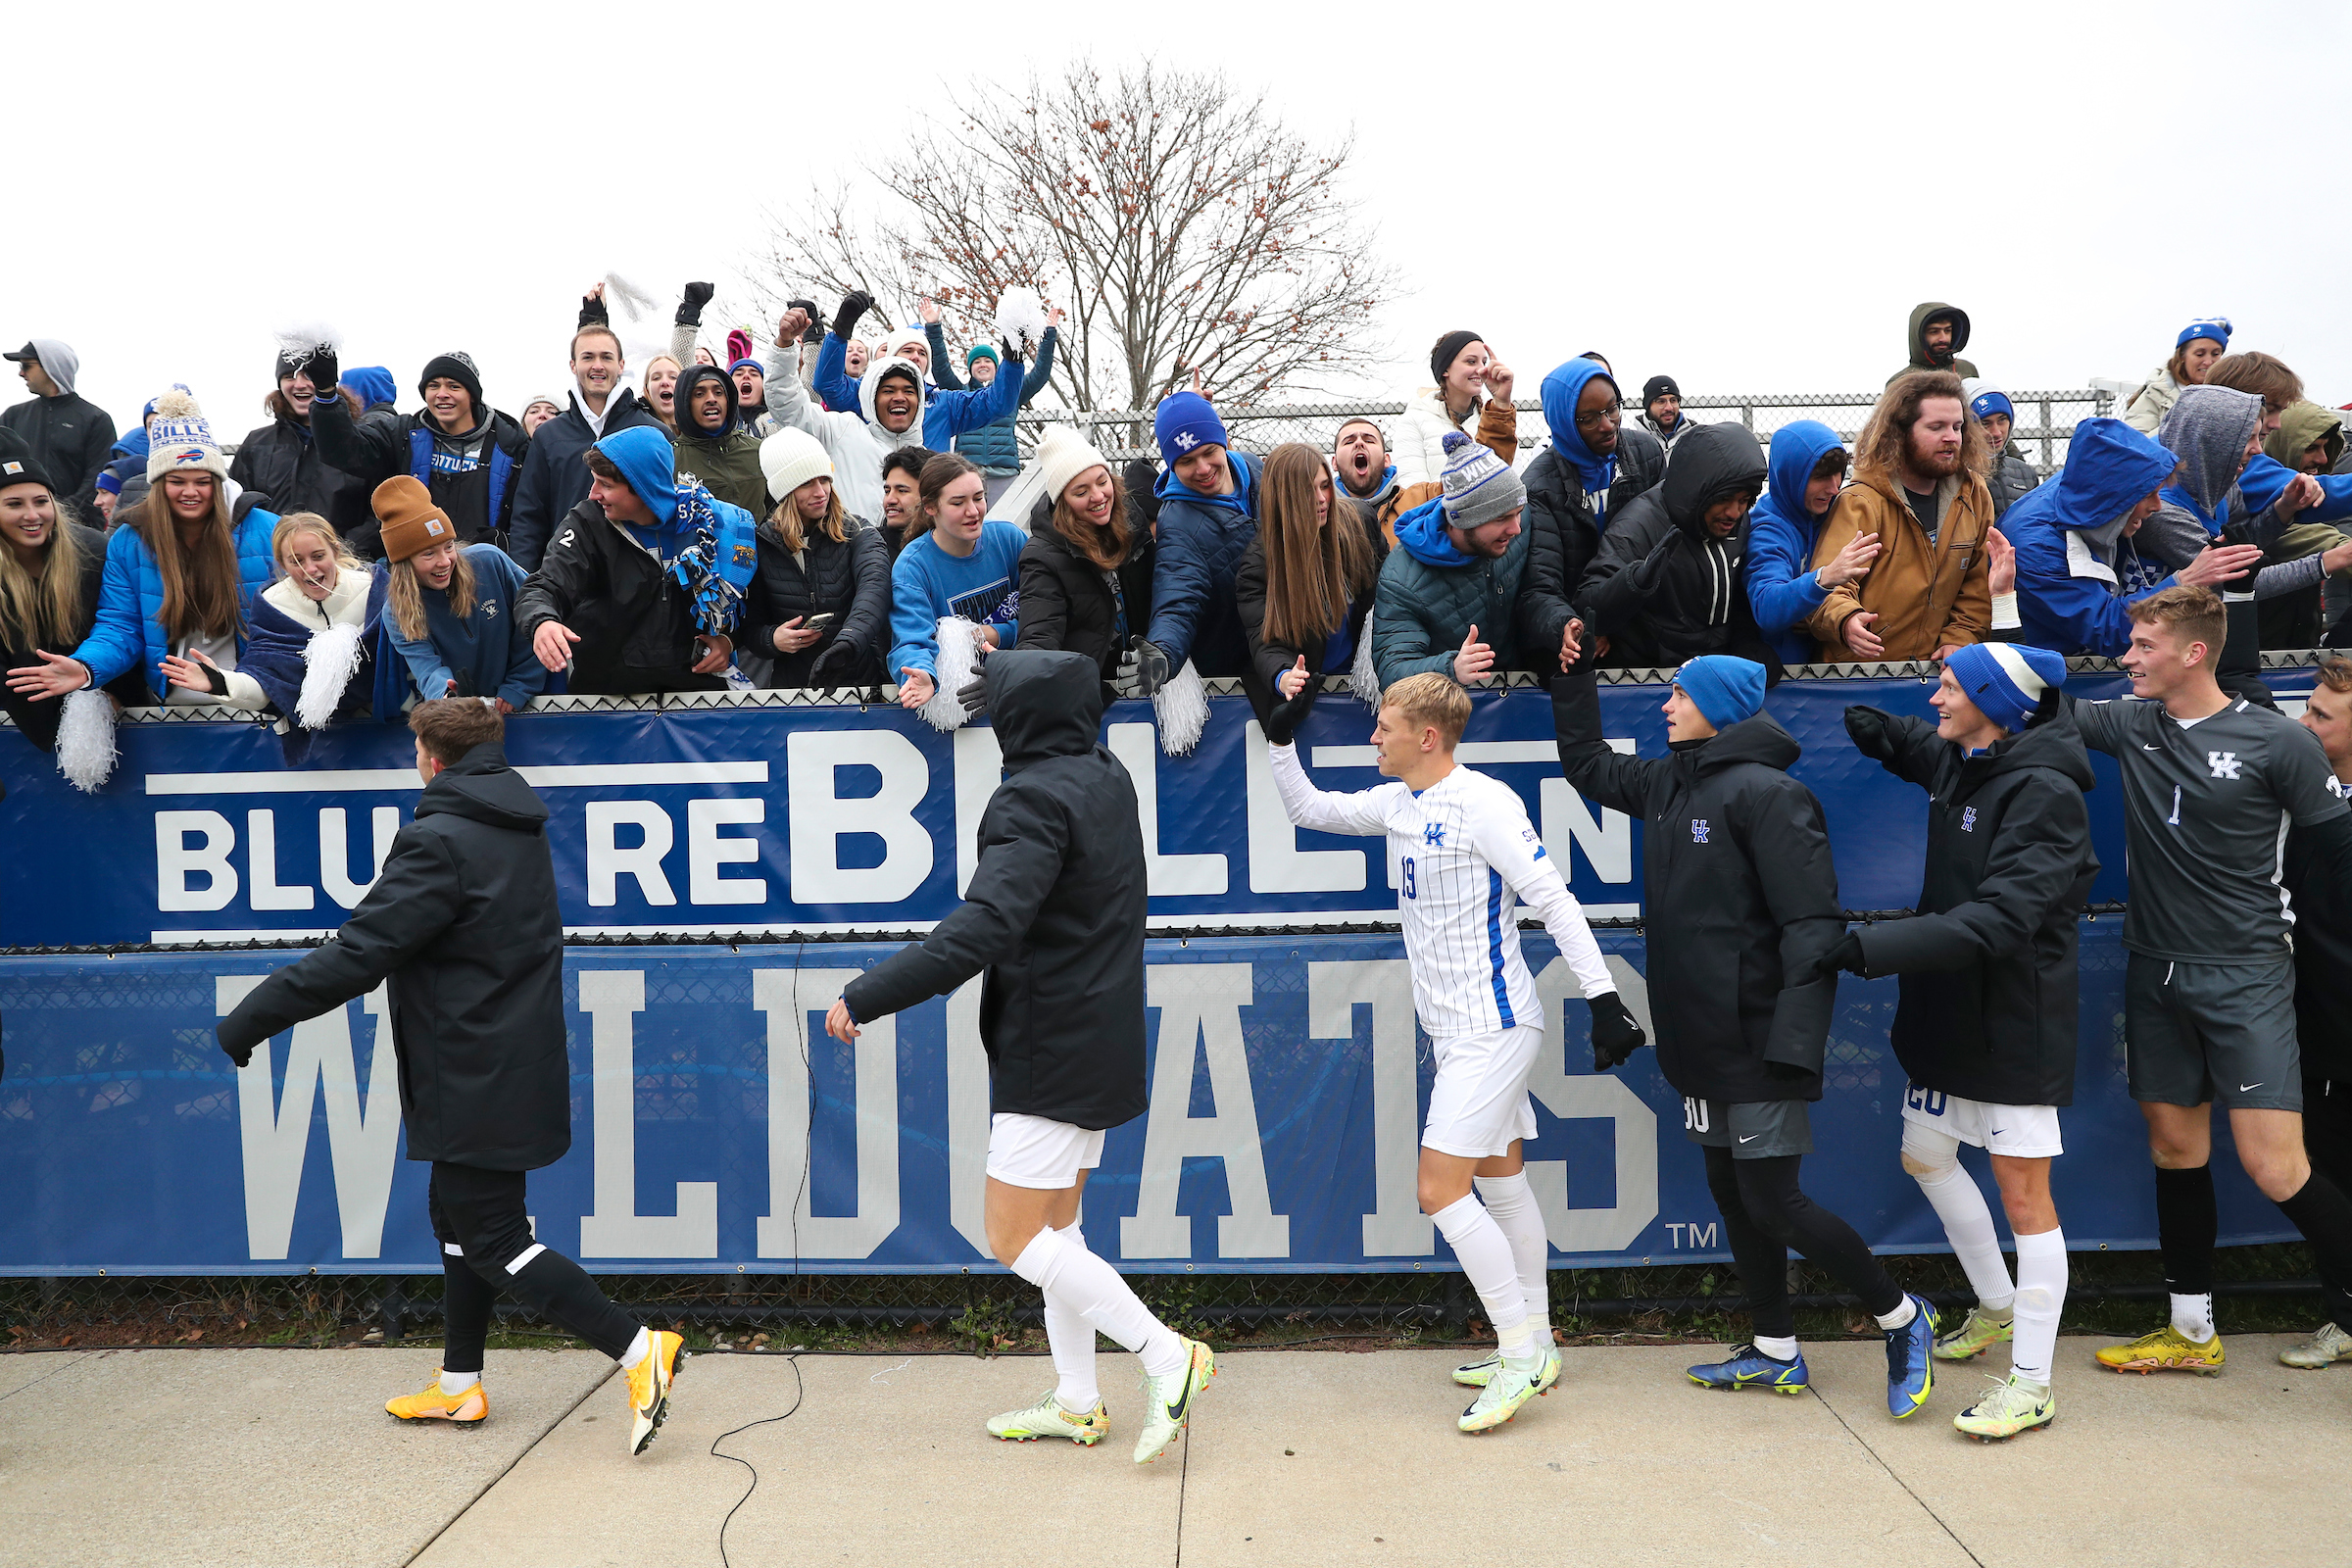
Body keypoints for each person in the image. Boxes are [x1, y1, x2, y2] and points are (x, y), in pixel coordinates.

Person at [215, 698, 684, 1451]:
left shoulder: (439, 839)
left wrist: (250, 1019)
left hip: (472, 1070)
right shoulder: (515, 824)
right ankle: (459, 1387)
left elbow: (359, 954)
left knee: (493, 1237)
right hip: (500, 1060)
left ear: (432, 758)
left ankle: (638, 1349)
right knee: (458, 1224)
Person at [824, 650, 1214, 1463]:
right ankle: (1077, 1402)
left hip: (1050, 1048)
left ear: (1020, 719)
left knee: (1011, 1238)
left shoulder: (1030, 797)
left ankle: (1166, 1355)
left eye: (998, 704)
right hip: (1098, 1033)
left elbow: (984, 927)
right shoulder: (1104, 773)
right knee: (1057, 1231)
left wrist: (867, 993)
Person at [1550, 645, 1939, 1415]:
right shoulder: (1668, 781)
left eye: (1679, 695)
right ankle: (1775, 1349)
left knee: (1774, 1201)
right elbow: (1589, 766)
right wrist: (1571, 674)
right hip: (1698, 1041)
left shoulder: (1772, 795)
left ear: (1717, 708)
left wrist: (1795, 1042)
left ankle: (1903, 1316)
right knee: (1731, 1192)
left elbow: (1812, 927)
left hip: (1762, 1040)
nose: (1665, 706)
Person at [1267, 671, 1639, 1430]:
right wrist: (1279, 737)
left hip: (1493, 1029)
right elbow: (1308, 807)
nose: (1374, 736)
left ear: (1426, 737)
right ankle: (1537, 1339)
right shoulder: (1398, 802)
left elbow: (1555, 900)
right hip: (1459, 1031)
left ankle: (1520, 1354)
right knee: (1501, 1185)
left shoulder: (1486, 804)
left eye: (1386, 726)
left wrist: (1604, 999)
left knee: (1439, 1190)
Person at [2061, 587, 2352, 1378]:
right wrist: (2007, 600)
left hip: (2248, 976)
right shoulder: (2131, 724)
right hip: (2153, 971)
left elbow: (2337, 856)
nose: (2127, 659)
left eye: (2143, 646)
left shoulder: (2275, 742)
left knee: (2276, 1166)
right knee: (2174, 1148)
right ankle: (2191, 1332)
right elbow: (2031, 703)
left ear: (2193, 653)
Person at [1833, 644, 2096, 1441]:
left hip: (2014, 1023)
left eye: (1950, 686)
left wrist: (1872, 950)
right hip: (1946, 1016)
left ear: (1994, 704)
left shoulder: (2046, 793)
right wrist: (1880, 729)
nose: (1935, 698)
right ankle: (1995, 1306)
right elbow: (1915, 744)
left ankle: (2032, 1383)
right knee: (1926, 1153)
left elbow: (2002, 920)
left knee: (2025, 1199)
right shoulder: (1967, 758)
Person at [7, 391, 278, 709]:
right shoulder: (130, 541)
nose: (190, 492)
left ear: (218, 482)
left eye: (203, 481)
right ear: (158, 483)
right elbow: (120, 625)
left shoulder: (268, 531)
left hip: (255, 700)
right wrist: (86, 666)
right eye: (176, 480)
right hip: (169, 707)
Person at [517, 425, 756, 695]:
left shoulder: (713, 524)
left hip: (697, 697)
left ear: (644, 488)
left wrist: (728, 640)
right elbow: (544, 585)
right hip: (606, 700)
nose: (593, 494)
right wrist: (543, 622)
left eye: (605, 484)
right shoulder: (587, 522)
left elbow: (753, 602)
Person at [2141, 387, 2343, 698]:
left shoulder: (2223, 485)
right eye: (2247, 440)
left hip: (2193, 631)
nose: (2258, 450)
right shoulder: (2163, 510)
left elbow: (2242, 547)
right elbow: (2236, 582)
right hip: (2155, 649)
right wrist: (2330, 560)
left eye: (2258, 438)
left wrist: (2283, 509)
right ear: (2212, 441)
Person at [2006, 416, 2260, 658]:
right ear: (2114, 496)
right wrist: (2184, 581)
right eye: (2149, 495)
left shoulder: (2089, 485)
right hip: (2043, 668)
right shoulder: (2039, 549)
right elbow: (2106, 631)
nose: (2158, 506)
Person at [1805, 370, 1994, 662]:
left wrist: (1960, 637)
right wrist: (1847, 621)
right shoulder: (1861, 502)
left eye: (1958, 427)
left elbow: (1978, 586)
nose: (1951, 437)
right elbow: (1829, 585)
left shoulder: (1974, 495)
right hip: (1862, 678)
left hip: (1938, 678)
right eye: (1936, 427)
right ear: (1901, 432)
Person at [2278, 658, 2352, 1367]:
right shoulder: (2305, 792)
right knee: (2326, 1166)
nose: (2306, 723)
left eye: (2323, 716)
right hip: (2320, 1030)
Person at [1574, 421, 1775, 671]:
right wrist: (1633, 583)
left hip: (1712, 670)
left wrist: (1744, 643)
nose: (1735, 512)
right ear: (1698, 492)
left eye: (1744, 500)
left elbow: (1737, 596)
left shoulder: (1738, 520)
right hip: (1649, 675)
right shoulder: (1639, 524)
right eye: (1723, 500)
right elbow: (1587, 606)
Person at [1517, 358, 1667, 676]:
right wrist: (1570, 626)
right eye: (1588, 418)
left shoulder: (1646, 454)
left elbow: (1666, 547)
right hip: (1575, 642)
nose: (1608, 424)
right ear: (1563, 422)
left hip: (1640, 621)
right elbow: (1540, 586)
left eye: (1613, 408)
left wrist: (1616, 619)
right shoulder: (1540, 487)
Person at [199, 513, 405, 746]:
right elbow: (267, 683)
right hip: (319, 748)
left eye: (318, 556)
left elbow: (408, 660)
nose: (310, 569)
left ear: (335, 551)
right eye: (296, 562)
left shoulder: (378, 590)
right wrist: (221, 683)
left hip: (391, 732)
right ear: (282, 563)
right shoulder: (272, 606)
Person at [305, 346, 530, 553]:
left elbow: (528, 517)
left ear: (472, 395)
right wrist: (326, 394)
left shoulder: (510, 443)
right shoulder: (401, 434)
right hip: (418, 570)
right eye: (434, 386)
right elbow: (343, 450)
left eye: (454, 386)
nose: (442, 394)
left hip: (484, 568)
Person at [0, 437, 136, 751]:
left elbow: (121, 627)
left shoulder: (92, 553)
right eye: (14, 504)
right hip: (20, 724)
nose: (32, 515)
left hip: (117, 714)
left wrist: (109, 695)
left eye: (41, 501)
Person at [1372, 432, 1530, 690]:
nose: (1517, 529)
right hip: (1453, 708)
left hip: (1525, 691)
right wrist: (1451, 668)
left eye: (1518, 513)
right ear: (1463, 520)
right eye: (1501, 519)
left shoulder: (1515, 529)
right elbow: (1392, 669)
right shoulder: (1402, 578)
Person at [508, 321, 666, 572]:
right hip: (566, 577)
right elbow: (529, 517)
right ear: (573, 365)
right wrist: (523, 581)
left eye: (606, 357)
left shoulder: (654, 432)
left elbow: (668, 508)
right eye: (588, 357)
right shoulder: (548, 436)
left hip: (640, 577)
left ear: (621, 365)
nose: (598, 366)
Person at [1235, 442, 1377, 722]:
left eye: (1325, 485)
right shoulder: (1258, 565)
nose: (1322, 498)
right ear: (1283, 498)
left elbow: (1388, 595)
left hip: (1366, 687)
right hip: (1314, 696)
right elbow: (1265, 641)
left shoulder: (1359, 521)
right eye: (1307, 491)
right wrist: (1284, 676)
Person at [376, 477, 544, 712]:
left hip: (528, 701)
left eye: (448, 546)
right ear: (405, 562)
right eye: (428, 554)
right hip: (461, 715)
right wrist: (447, 694)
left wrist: (519, 685)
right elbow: (427, 668)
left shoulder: (490, 562)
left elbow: (533, 618)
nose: (444, 561)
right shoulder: (396, 611)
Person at [739, 428, 889, 689]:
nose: (821, 492)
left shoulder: (859, 532)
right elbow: (750, 625)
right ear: (785, 492)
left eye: (825, 480)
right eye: (807, 483)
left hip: (860, 683)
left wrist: (847, 643)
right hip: (793, 691)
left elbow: (874, 590)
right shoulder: (761, 544)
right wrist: (773, 639)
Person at [1014, 426, 1154, 697]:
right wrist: (1014, 672)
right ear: (1062, 502)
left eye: (1102, 482)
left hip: (1145, 680)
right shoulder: (1042, 555)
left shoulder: (1134, 523)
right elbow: (1039, 635)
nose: (1099, 497)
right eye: (1081, 492)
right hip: (1088, 692)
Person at [816, 292, 1040, 457]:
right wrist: (840, 332)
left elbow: (998, 403)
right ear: (891, 356)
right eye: (907, 350)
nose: (915, 356)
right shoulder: (863, 395)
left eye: (922, 353)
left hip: (928, 507)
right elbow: (828, 384)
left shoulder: (944, 404)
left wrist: (1013, 357)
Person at [1138, 389, 1259, 686]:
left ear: (1225, 441)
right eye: (1186, 461)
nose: (1203, 469)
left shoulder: (1258, 469)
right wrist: (1162, 654)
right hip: (1232, 673)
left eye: (1208, 452)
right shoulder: (1177, 522)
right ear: (1171, 466)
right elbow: (1177, 600)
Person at [887, 453, 1026, 710]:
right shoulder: (912, 567)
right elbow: (912, 638)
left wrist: (995, 634)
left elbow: (1044, 616)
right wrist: (922, 675)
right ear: (930, 507)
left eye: (978, 498)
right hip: (957, 702)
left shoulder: (1010, 540)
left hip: (1017, 687)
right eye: (958, 503)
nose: (973, 511)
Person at [763, 306, 919, 528]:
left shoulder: (927, 460)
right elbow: (788, 407)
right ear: (871, 398)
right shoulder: (843, 430)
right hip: (846, 557)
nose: (899, 398)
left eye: (908, 391)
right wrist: (784, 345)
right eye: (888, 391)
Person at [1745, 421, 1871, 667]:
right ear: (1792, 475)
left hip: (1831, 663)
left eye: (1839, 474)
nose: (1834, 487)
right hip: (1787, 677)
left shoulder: (1834, 511)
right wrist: (1822, 579)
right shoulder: (1768, 528)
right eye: (1821, 477)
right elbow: (1767, 607)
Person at [924, 299, 1061, 503]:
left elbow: (1040, 373)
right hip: (967, 471)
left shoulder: (1012, 393)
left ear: (996, 366)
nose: (982, 365)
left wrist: (1048, 334)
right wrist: (933, 327)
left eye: (987, 360)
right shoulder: (960, 395)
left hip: (1005, 472)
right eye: (977, 362)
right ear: (970, 368)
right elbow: (941, 369)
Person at [230, 347, 370, 531]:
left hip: (345, 557)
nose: (300, 384)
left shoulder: (360, 440)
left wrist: (346, 552)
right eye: (290, 376)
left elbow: (379, 512)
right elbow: (236, 508)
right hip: (272, 556)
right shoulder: (257, 443)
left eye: (309, 375)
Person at [1396, 332, 1517, 488]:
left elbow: (1508, 482)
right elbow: (1412, 491)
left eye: (1484, 362)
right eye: (1471, 362)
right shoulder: (1413, 420)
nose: (1481, 370)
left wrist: (1501, 402)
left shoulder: (1497, 418)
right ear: (1445, 369)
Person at [2, 339, 116, 503]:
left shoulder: (95, 419)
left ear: (51, 367)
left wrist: (62, 513)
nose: (21, 373)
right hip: (22, 521)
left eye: (26, 366)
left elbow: (97, 476)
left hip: (80, 524)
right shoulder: (12, 416)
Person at [669, 364, 767, 518]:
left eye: (718, 392)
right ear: (685, 403)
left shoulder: (758, 450)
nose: (711, 399)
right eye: (699, 394)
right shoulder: (670, 459)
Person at [2124, 318, 2231, 436]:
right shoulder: (2156, 393)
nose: (2208, 361)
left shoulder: (2232, 394)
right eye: (2200, 354)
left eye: (2215, 354)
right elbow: (2135, 442)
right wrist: (2180, 421)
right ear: (2182, 356)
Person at [1963, 380, 2040, 519]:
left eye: (2002, 420)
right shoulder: (1953, 474)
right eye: (1985, 423)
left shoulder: (2025, 473)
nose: (1996, 432)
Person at [1331, 417, 1401, 542]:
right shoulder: (1321, 514)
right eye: (1348, 442)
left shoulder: (1413, 504)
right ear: (1334, 463)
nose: (1359, 443)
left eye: (1369, 441)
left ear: (1386, 460)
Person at [1887, 302, 1979, 385]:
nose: (1943, 338)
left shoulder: (1967, 369)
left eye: (1947, 331)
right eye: (1934, 332)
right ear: (1919, 336)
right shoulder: (1901, 382)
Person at [877, 445, 935, 563]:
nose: (890, 500)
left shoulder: (951, 545)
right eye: (887, 491)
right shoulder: (870, 546)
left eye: (902, 491)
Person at [1638, 374, 1693, 454]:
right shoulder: (1634, 440)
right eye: (1661, 401)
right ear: (1648, 406)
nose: (1669, 408)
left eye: (1673, 400)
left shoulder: (1695, 436)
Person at [639, 354, 682, 432]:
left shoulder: (699, 430)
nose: (665, 382)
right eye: (656, 378)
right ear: (647, 389)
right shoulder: (638, 427)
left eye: (673, 377)